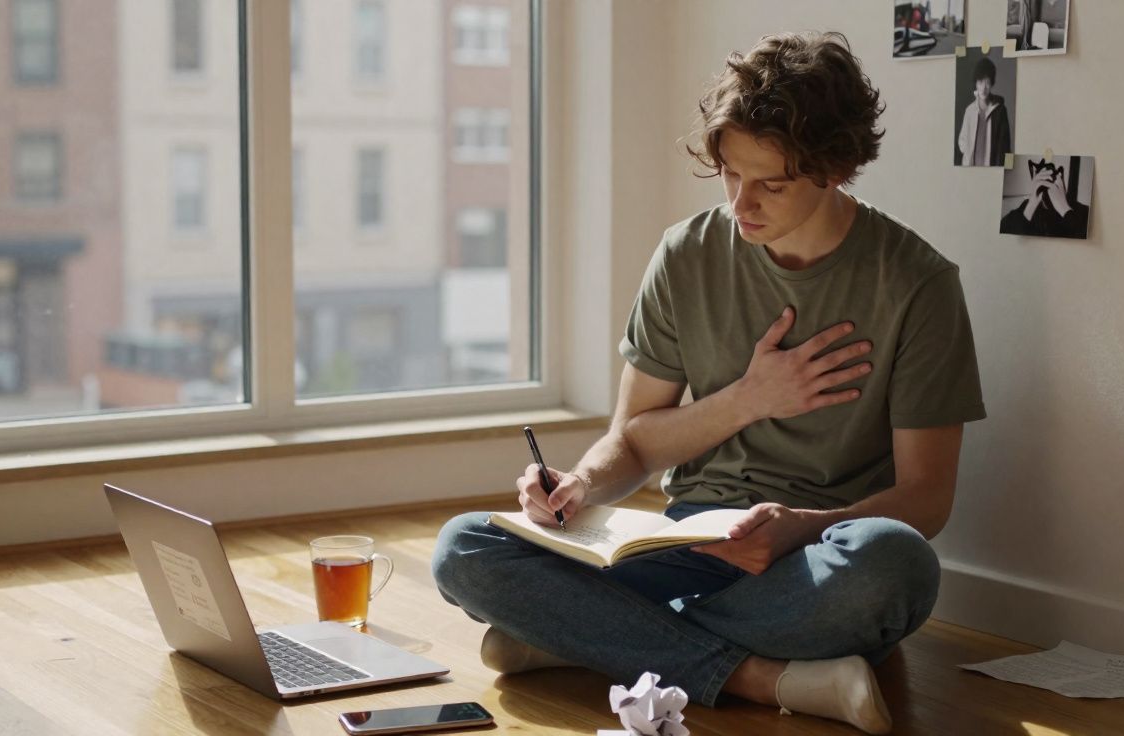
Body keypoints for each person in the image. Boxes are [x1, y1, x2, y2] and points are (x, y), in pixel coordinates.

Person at [433, 31, 985, 735]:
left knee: (897, 567)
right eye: (730, 174)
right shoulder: (687, 252)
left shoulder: (917, 285)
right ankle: (761, 677)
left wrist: (799, 529)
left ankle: (585, 639)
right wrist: (579, 485)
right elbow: (631, 445)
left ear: (836, 168)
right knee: (464, 547)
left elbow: (927, 499)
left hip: (809, 566)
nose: (741, 203)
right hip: (678, 547)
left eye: (771, 184)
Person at [1000, 158, 1090, 238]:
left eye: (1052, 180)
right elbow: (1005, 231)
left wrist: (1064, 208)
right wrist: (1031, 204)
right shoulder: (1027, 207)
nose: (1048, 188)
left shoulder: (1082, 212)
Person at [956, 56, 1011, 167]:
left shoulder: (1000, 111)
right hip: (971, 169)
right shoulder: (970, 111)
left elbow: (1005, 147)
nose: (983, 88)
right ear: (976, 84)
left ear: (992, 84)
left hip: (991, 169)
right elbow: (962, 140)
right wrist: (968, 154)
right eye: (980, 82)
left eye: (987, 82)